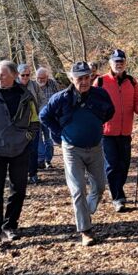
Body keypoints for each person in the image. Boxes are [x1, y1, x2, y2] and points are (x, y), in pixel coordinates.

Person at [39, 62, 115, 247]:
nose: (83, 82)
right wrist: (59, 133)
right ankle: (85, 231)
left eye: (86, 77)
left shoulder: (100, 94)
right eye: (79, 78)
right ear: (72, 79)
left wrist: (95, 124)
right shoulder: (61, 98)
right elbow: (44, 116)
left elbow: (110, 112)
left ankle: (85, 211)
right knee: (78, 189)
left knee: (100, 186)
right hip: (72, 149)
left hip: (96, 147)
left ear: (91, 77)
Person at [0, 60, 40, 244]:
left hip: (20, 150)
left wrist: (27, 138)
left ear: (13, 75)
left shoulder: (26, 96)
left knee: (18, 189)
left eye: (3, 74)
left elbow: (35, 122)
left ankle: (10, 226)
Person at [96, 49, 138, 212]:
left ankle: (119, 190)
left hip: (125, 132)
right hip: (107, 132)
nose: (119, 64)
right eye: (116, 61)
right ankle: (117, 197)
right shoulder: (100, 82)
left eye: (122, 62)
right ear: (110, 63)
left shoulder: (132, 81)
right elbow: (92, 104)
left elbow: (137, 102)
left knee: (124, 165)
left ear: (125, 63)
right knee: (111, 165)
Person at [17, 63, 42, 185]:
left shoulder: (34, 85)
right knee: (20, 150)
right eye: (23, 75)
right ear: (18, 75)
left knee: (33, 149)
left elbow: (42, 100)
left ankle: (33, 173)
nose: (26, 77)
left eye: (28, 75)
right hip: (19, 125)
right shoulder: (13, 86)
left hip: (34, 122)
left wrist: (41, 114)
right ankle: (22, 174)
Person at [34, 66, 63, 169]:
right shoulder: (33, 86)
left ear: (47, 77)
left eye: (43, 78)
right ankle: (40, 160)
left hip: (50, 117)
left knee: (49, 139)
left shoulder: (53, 84)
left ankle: (48, 161)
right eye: (38, 78)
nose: (40, 80)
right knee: (38, 140)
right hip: (36, 117)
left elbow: (59, 98)